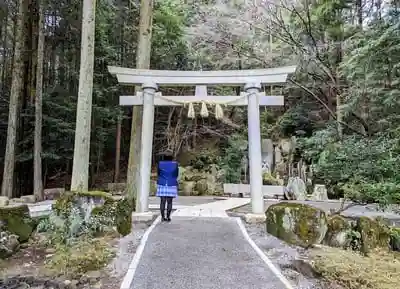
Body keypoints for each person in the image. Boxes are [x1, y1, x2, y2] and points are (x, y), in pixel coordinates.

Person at [156, 152, 179, 222]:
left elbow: (158, 173)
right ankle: (168, 217)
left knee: (162, 202)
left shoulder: (160, 164)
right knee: (170, 202)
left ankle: (163, 217)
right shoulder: (175, 164)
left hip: (162, 183)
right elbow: (176, 174)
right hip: (171, 183)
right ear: (171, 158)